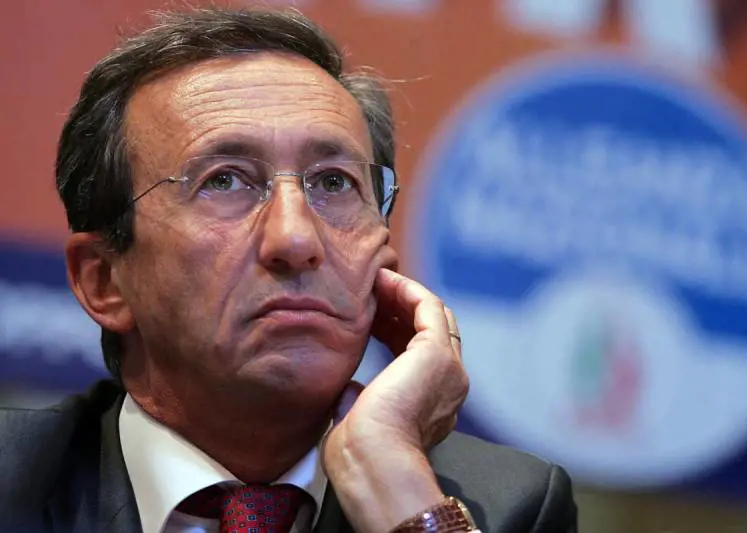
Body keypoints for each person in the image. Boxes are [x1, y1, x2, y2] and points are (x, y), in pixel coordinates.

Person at [0, 7, 577, 533]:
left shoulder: (508, 507)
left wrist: (395, 487)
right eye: (224, 180)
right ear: (103, 281)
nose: (297, 239)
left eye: (334, 182)